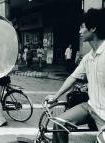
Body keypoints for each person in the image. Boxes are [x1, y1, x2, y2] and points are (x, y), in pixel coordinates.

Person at [45, 8, 105, 143]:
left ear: (93, 28)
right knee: (58, 124)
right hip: (90, 107)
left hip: (104, 116)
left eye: (82, 27)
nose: (79, 31)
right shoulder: (88, 57)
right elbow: (72, 78)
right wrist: (55, 96)